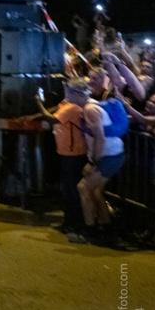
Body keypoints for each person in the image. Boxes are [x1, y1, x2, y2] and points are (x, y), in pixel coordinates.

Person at [67, 80, 126, 245]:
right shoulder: (92, 105)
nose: (66, 96)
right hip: (113, 155)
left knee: (83, 187)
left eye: (69, 93)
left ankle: (90, 231)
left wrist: (92, 163)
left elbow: (99, 138)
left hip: (108, 156)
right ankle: (107, 229)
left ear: (78, 94)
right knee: (96, 191)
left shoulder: (90, 109)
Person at [35, 80, 89, 243]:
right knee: (67, 189)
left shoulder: (74, 107)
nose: (66, 91)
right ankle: (68, 222)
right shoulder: (69, 103)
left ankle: (74, 224)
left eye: (69, 89)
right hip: (67, 152)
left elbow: (52, 119)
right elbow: (57, 108)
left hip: (73, 153)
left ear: (77, 93)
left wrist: (39, 104)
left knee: (71, 190)